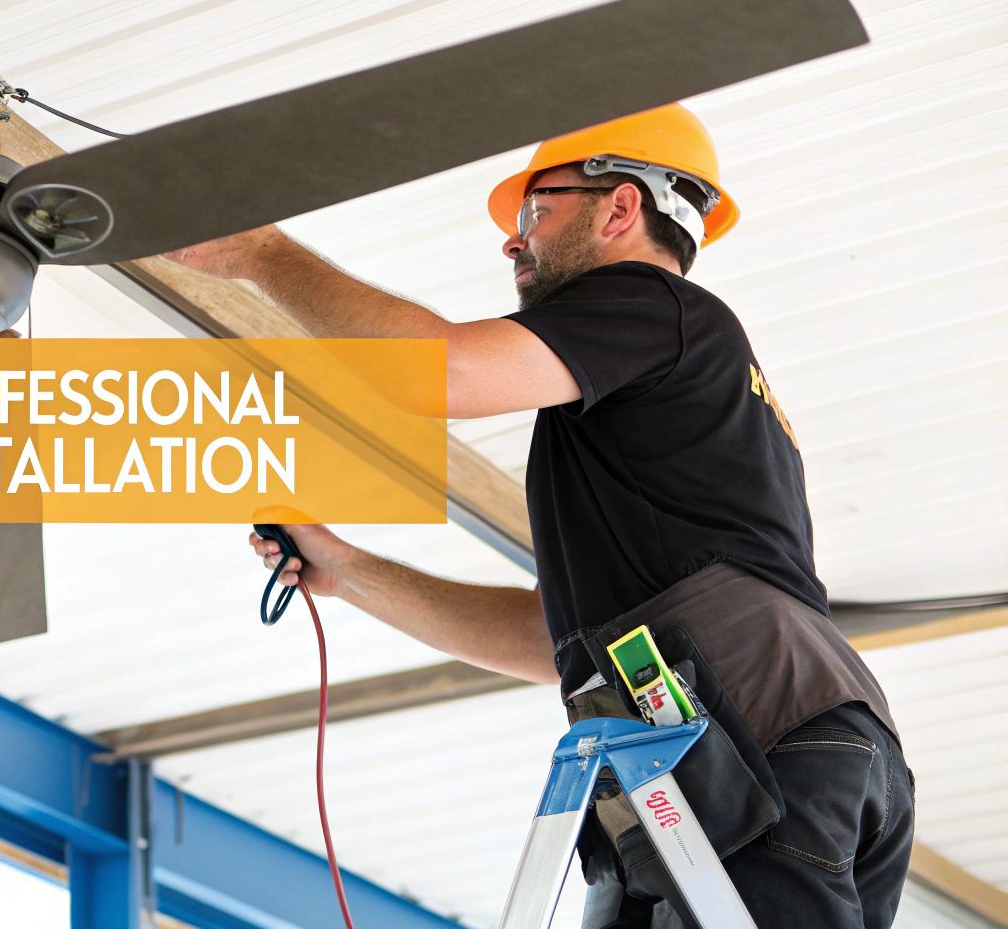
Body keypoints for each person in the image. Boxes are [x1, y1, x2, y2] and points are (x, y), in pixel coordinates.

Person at [162, 103, 913, 928]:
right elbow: (542, 637)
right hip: (773, 744)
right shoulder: (662, 395)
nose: (514, 242)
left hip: (757, 742)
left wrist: (263, 255)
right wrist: (350, 574)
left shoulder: (654, 305)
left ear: (619, 207)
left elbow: (440, 373)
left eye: (534, 212)